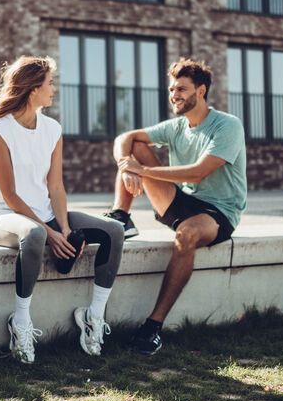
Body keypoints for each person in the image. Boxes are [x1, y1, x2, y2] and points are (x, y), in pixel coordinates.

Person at [0, 56, 126, 364]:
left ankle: (93, 317)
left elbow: (55, 187)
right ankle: (22, 322)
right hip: (5, 216)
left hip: (46, 215)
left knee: (115, 230)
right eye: (50, 83)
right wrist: (48, 232)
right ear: (33, 90)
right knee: (32, 236)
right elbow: (10, 194)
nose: (54, 89)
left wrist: (65, 230)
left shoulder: (52, 128)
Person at [103, 58, 246, 355]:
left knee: (187, 234)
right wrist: (126, 166)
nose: (174, 95)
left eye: (181, 89)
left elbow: (198, 172)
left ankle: (153, 326)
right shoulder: (177, 126)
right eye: (171, 90)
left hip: (217, 212)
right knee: (136, 147)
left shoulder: (227, 126)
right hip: (181, 201)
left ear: (201, 90)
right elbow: (124, 138)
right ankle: (121, 216)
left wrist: (140, 171)